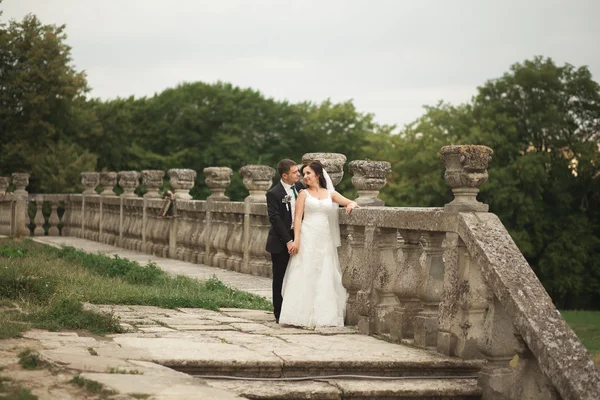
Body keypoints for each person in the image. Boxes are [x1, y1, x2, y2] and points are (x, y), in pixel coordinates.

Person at [279, 161, 359, 328]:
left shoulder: (330, 193)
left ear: (318, 174)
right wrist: (297, 240)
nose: (305, 176)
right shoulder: (303, 194)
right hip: (308, 236)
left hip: (324, 238)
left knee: (325, 272)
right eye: (303, 173)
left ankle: (324, 315)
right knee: (305, 271)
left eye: (308, 173)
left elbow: (349, 202)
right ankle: (299, 315)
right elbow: (298, 218)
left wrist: (351, 204)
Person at [266, 159, 303, 323]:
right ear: (284, 175)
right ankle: (279, 312)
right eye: (295, 172)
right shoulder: (274, 193)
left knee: (297, 276)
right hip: (281, 242)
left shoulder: (301, 188)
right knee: (279, 277)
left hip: (299, 238)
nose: (298, 174)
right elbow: (275, 219)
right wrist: (288, 240)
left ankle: (295, 309)